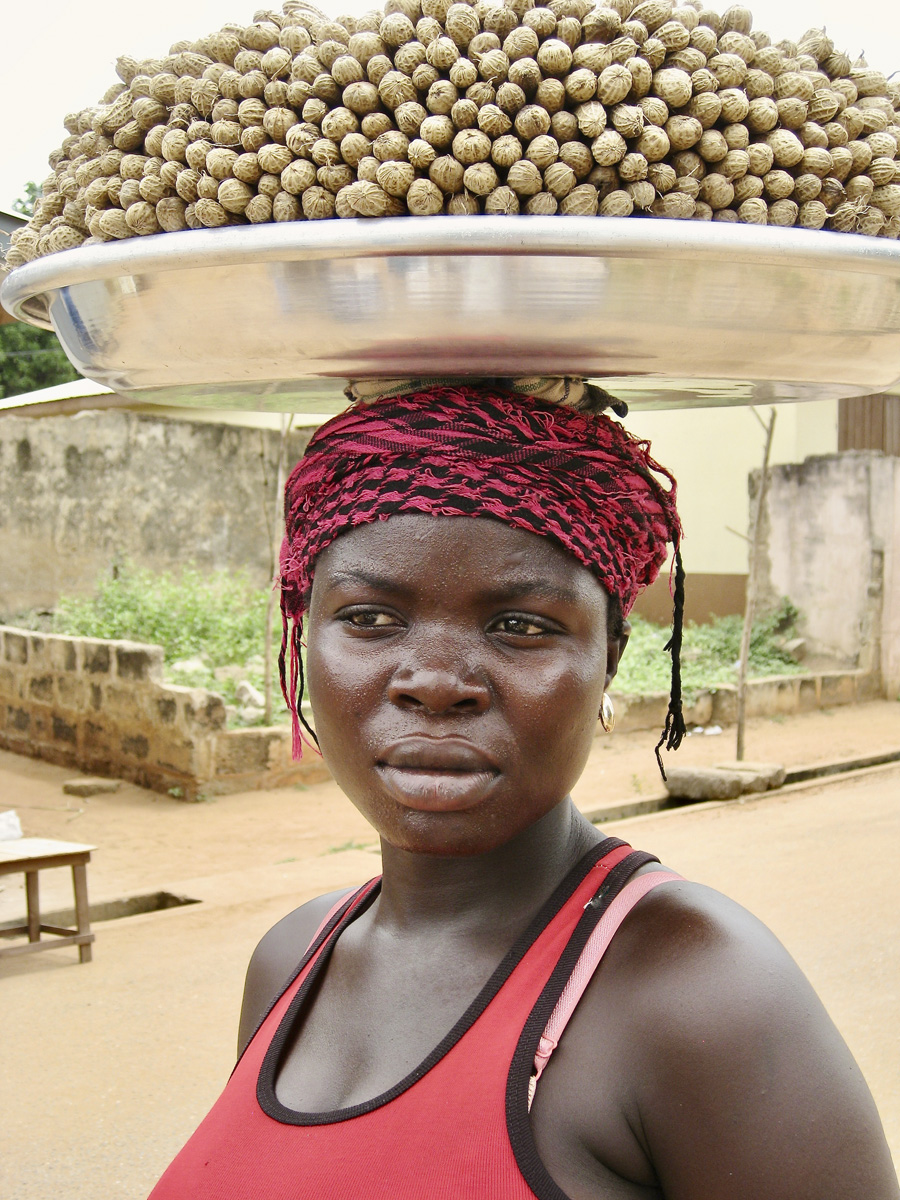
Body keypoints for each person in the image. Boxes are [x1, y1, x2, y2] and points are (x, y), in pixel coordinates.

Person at [149, 381, 899, 1200]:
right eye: (369, 618)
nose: (435, 683)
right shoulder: (292, 957)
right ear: (302, 630)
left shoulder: (696, 994)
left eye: (521, 627)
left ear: (611, 653)